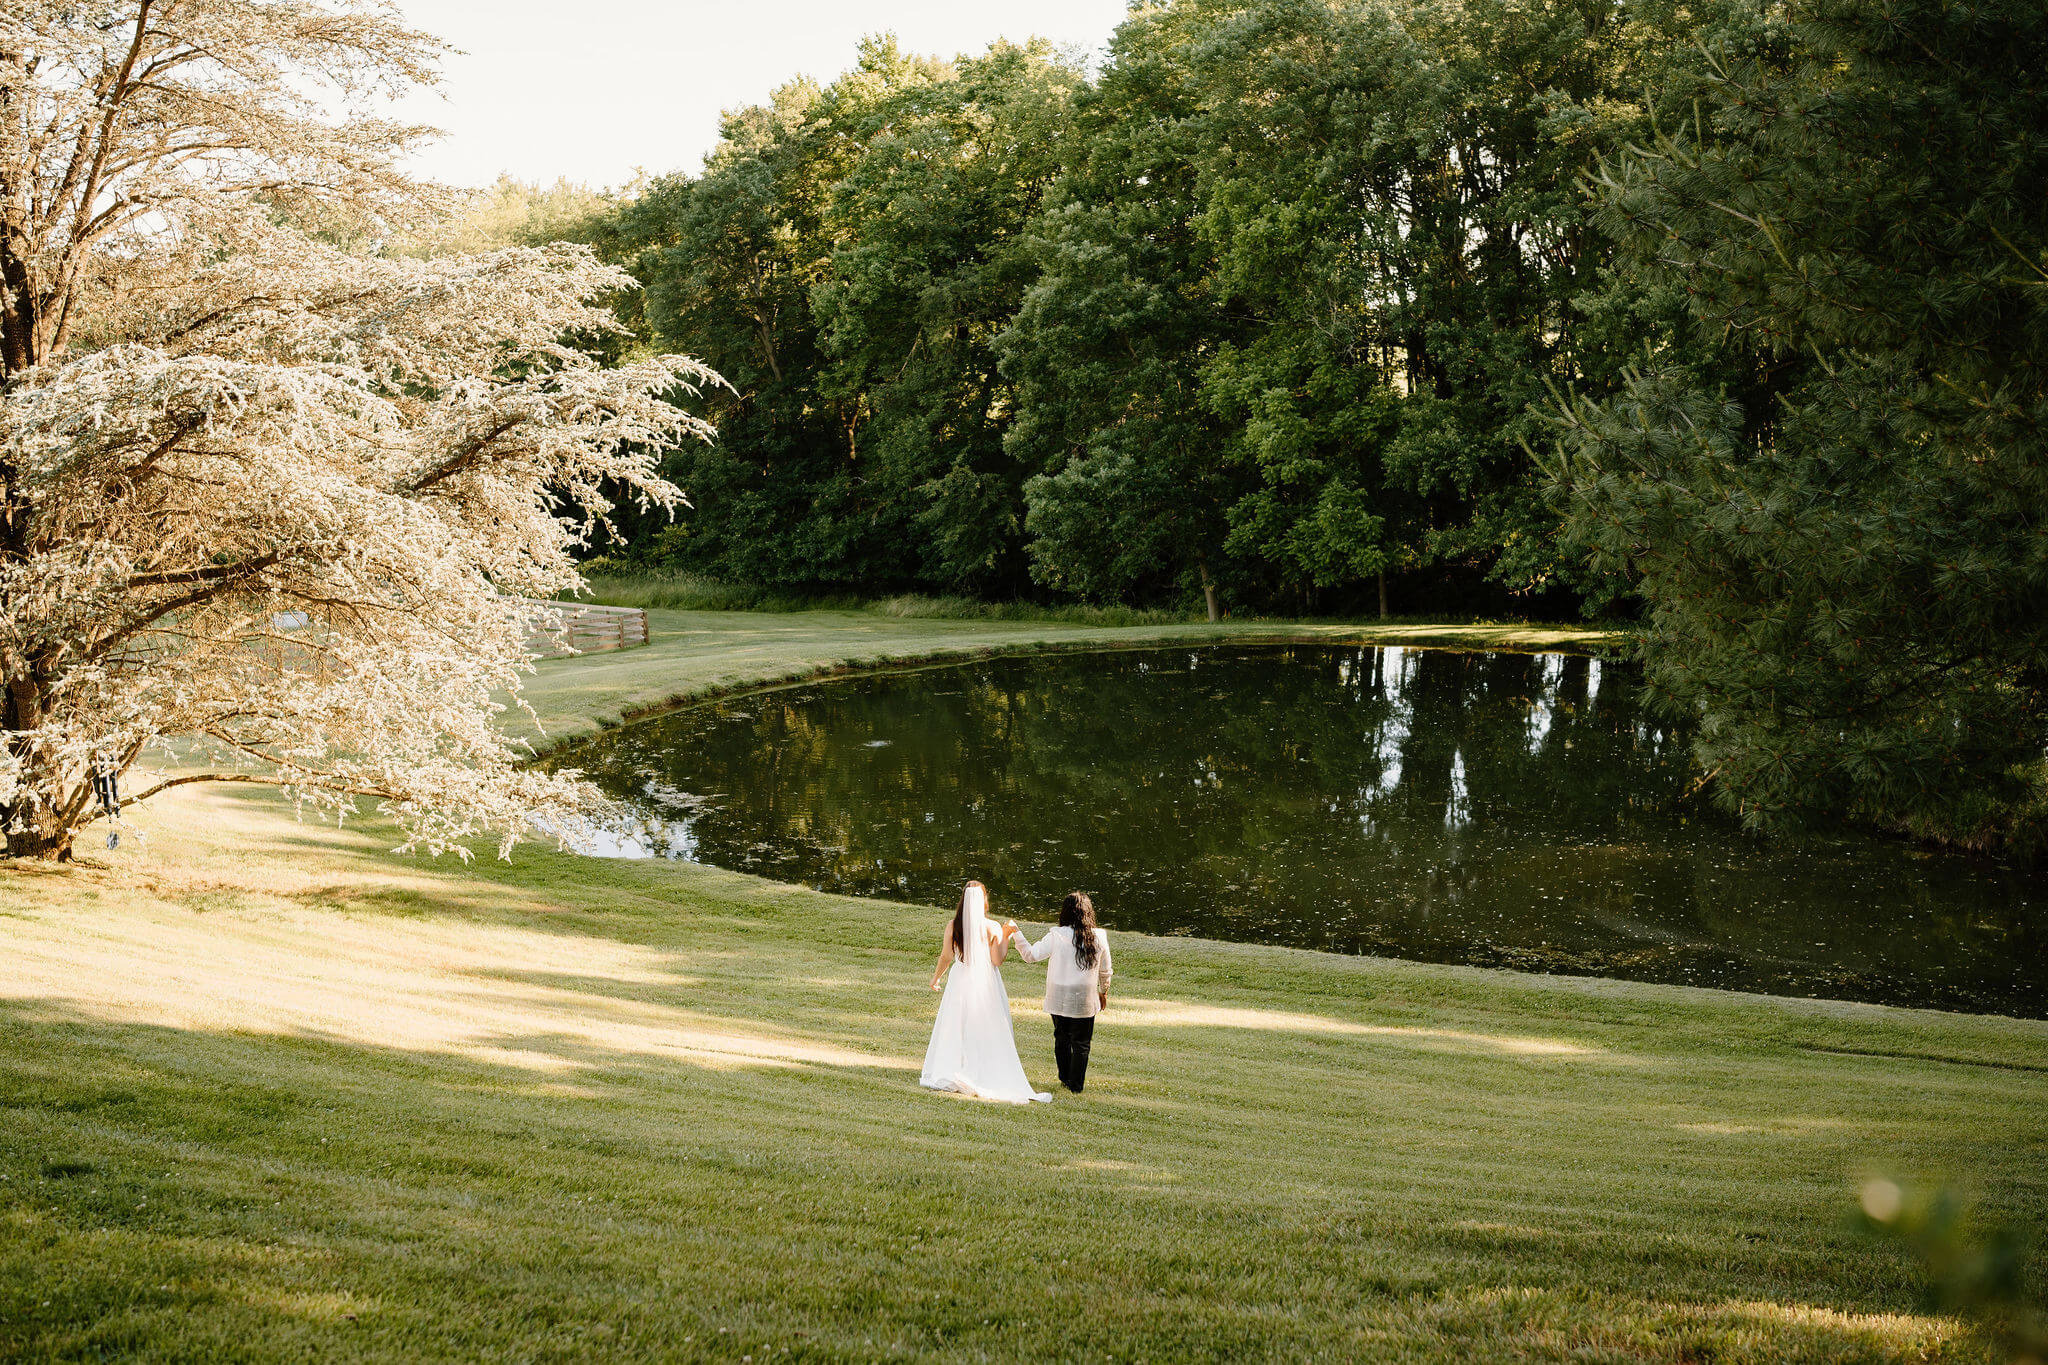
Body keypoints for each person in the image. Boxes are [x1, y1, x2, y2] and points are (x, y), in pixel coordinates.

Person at [919, 881, 1050, 1103]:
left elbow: (946, 956)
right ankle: (982, 1067)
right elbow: (997, 960)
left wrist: (936, 977)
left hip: (960, 979)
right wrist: (1006, 935)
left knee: (957, 1023)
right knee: (985, 1022)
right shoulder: (992, 927)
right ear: (984, 901)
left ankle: (957, 1066)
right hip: (986, 981)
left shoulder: (953, 925)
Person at [1006, 891, 1113, 1093]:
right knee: (1081, 1044)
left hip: (1059, 995)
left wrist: (1016, 932)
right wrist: (1104, 991)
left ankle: (1065, 1078)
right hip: (1084, 996)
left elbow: (1031, 955)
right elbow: (1105, 970)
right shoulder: (1099, 936)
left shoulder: (1056, 935)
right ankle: (1076, 1085)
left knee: (1061, 1038)